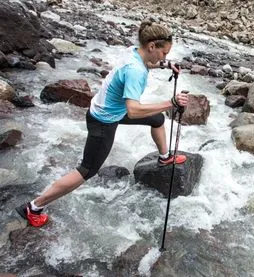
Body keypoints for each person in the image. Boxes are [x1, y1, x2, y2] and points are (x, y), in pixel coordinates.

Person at [16, 21, 189, 227]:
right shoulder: (135, 71)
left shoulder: (135, 52)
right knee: (86, 171)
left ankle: (164, 158)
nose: (165, 57)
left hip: (108, 109)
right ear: (152, 46)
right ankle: (34, 206)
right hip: (104, 120)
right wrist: (171, 103)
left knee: (157, 119)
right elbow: (133, 110)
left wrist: (166, 65)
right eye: (164, 54)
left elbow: (148, 64)